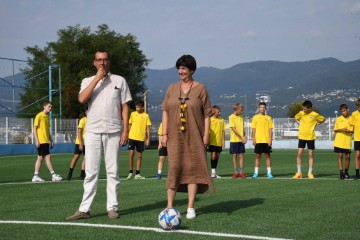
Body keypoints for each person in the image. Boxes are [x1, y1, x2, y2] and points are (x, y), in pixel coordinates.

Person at [66, 50, 132, 220]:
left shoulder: (119, 80)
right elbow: (81, 99)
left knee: (113, 171)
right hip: (93, 131)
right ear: (94, 62)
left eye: (105, 60)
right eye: (99, 60)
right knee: (91, 171)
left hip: (114, 130)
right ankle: (84, 209)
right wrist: (96, 79)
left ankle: (112, 207)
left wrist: (126, 130)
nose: (102, 63)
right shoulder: (87, 81)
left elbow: (125, 106)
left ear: (109, 62)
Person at [161, 54, 215, 220]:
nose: (181, 71)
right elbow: (165, 110)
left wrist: (206, 135)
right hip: (174, 137)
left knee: (193, 169)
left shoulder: (201, 88)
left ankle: (191, 206)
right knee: (174, 168)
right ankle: (169, 206)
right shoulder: (171, 88)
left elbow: (207, 114)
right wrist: (164, 134)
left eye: (184, 68)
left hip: (195, 136)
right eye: (179, 68)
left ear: (192, 69)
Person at [292, 100, 326, 179]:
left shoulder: (315, 114)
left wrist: (317, 124)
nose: (303, 110)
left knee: (310, 154)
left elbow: (323, 119)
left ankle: (310, 173)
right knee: (299, 153)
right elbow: (295, 117)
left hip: (310, 137)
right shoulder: (301, 113)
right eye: (303, 108)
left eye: (305, 109)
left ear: (310, 108)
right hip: (302, 136)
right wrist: (298, 122)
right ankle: (299, 173)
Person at [32, 101, 62, 183]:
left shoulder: (47, 117)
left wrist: (51, 140)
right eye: (49, 106)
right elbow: (34, 129)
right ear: (44, 106)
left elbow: (47, 130)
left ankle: (36, 176)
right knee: (47, 157)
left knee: (40, 158)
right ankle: (53, 175)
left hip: (46, 141)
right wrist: (36, 140)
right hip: (41, 141)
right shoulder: (39, 116)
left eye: (51, 107)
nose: (50, 108)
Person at [126, 100, 152, 180]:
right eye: (136, 107)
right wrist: (128, 135)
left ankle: (137, 174)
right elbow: (129, 125)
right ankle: (130, 172)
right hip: (132, 137)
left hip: (141, 139)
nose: (137, 108)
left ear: (142, 107)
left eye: (138, 107)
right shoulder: (133, 114)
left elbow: (148, 128)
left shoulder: (146, 116)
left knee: (139, 156)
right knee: (131, 154)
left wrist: (148, 138)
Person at [251, 102, 274, 179]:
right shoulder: (255, 117)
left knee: (267, 156)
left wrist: (270, 140)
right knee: (258, 156)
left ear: (265, 108)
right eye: (261, 107)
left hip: (266, 140)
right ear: (258, 108)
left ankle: (269, 173)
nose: (262, 108)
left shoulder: (269, 118)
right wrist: (253, 139)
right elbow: (253, 130)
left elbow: (270, 130)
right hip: (258, 140)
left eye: (264, 107)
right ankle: (256, 173)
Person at [66, 108, 88, 181]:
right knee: (76, 157)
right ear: (85, 112)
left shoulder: (93, 120)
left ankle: (82, 174)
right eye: (88, 110)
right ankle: (70, 173)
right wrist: (81, 144)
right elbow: (79, 132)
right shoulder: (83, 120)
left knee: (86, 158)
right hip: (80, 142)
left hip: (88, 143)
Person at [333, 104, 353, 179]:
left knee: (348, 157)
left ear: (348, 109)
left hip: (347, 141)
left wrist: (349, 131)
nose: (343, 112)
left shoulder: (352, 119)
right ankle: (341, 172)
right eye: (342, 111)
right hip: (339, 141)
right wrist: (342, 129)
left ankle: (346, 172)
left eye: (344, 111)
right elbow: (335, 129)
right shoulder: (338, 119)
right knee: (340, 156)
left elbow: (353, 130)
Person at [228, 103, 247, 179]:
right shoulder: (231, 117)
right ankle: (235, 172)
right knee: (234, 156)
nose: (242, 111)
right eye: (241, 110)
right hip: (234, 140)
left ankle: (241, 172)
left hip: (241, 140)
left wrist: (244, 136)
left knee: (241, 155)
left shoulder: (241, 117)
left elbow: (242, 128)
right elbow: (233, 129)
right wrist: (241, 136)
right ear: (236, 109)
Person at [209, 105, 226, 178]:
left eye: (220, 111)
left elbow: (223, 131)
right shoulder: (209, 119)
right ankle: (212, 172)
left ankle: (214, 171)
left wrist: (223, 141)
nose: (220, 113)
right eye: (218, 112)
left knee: (217, 156)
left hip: (219, 142)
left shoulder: (221, 120)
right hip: (212, 141)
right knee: (213, 155)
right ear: (214, 112)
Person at [350, 98, 360, 179]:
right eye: (358, 106)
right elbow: (352, 127)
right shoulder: (354, 114)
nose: (359, 108)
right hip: (357, 138)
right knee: (357, 155)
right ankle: (357, 173)